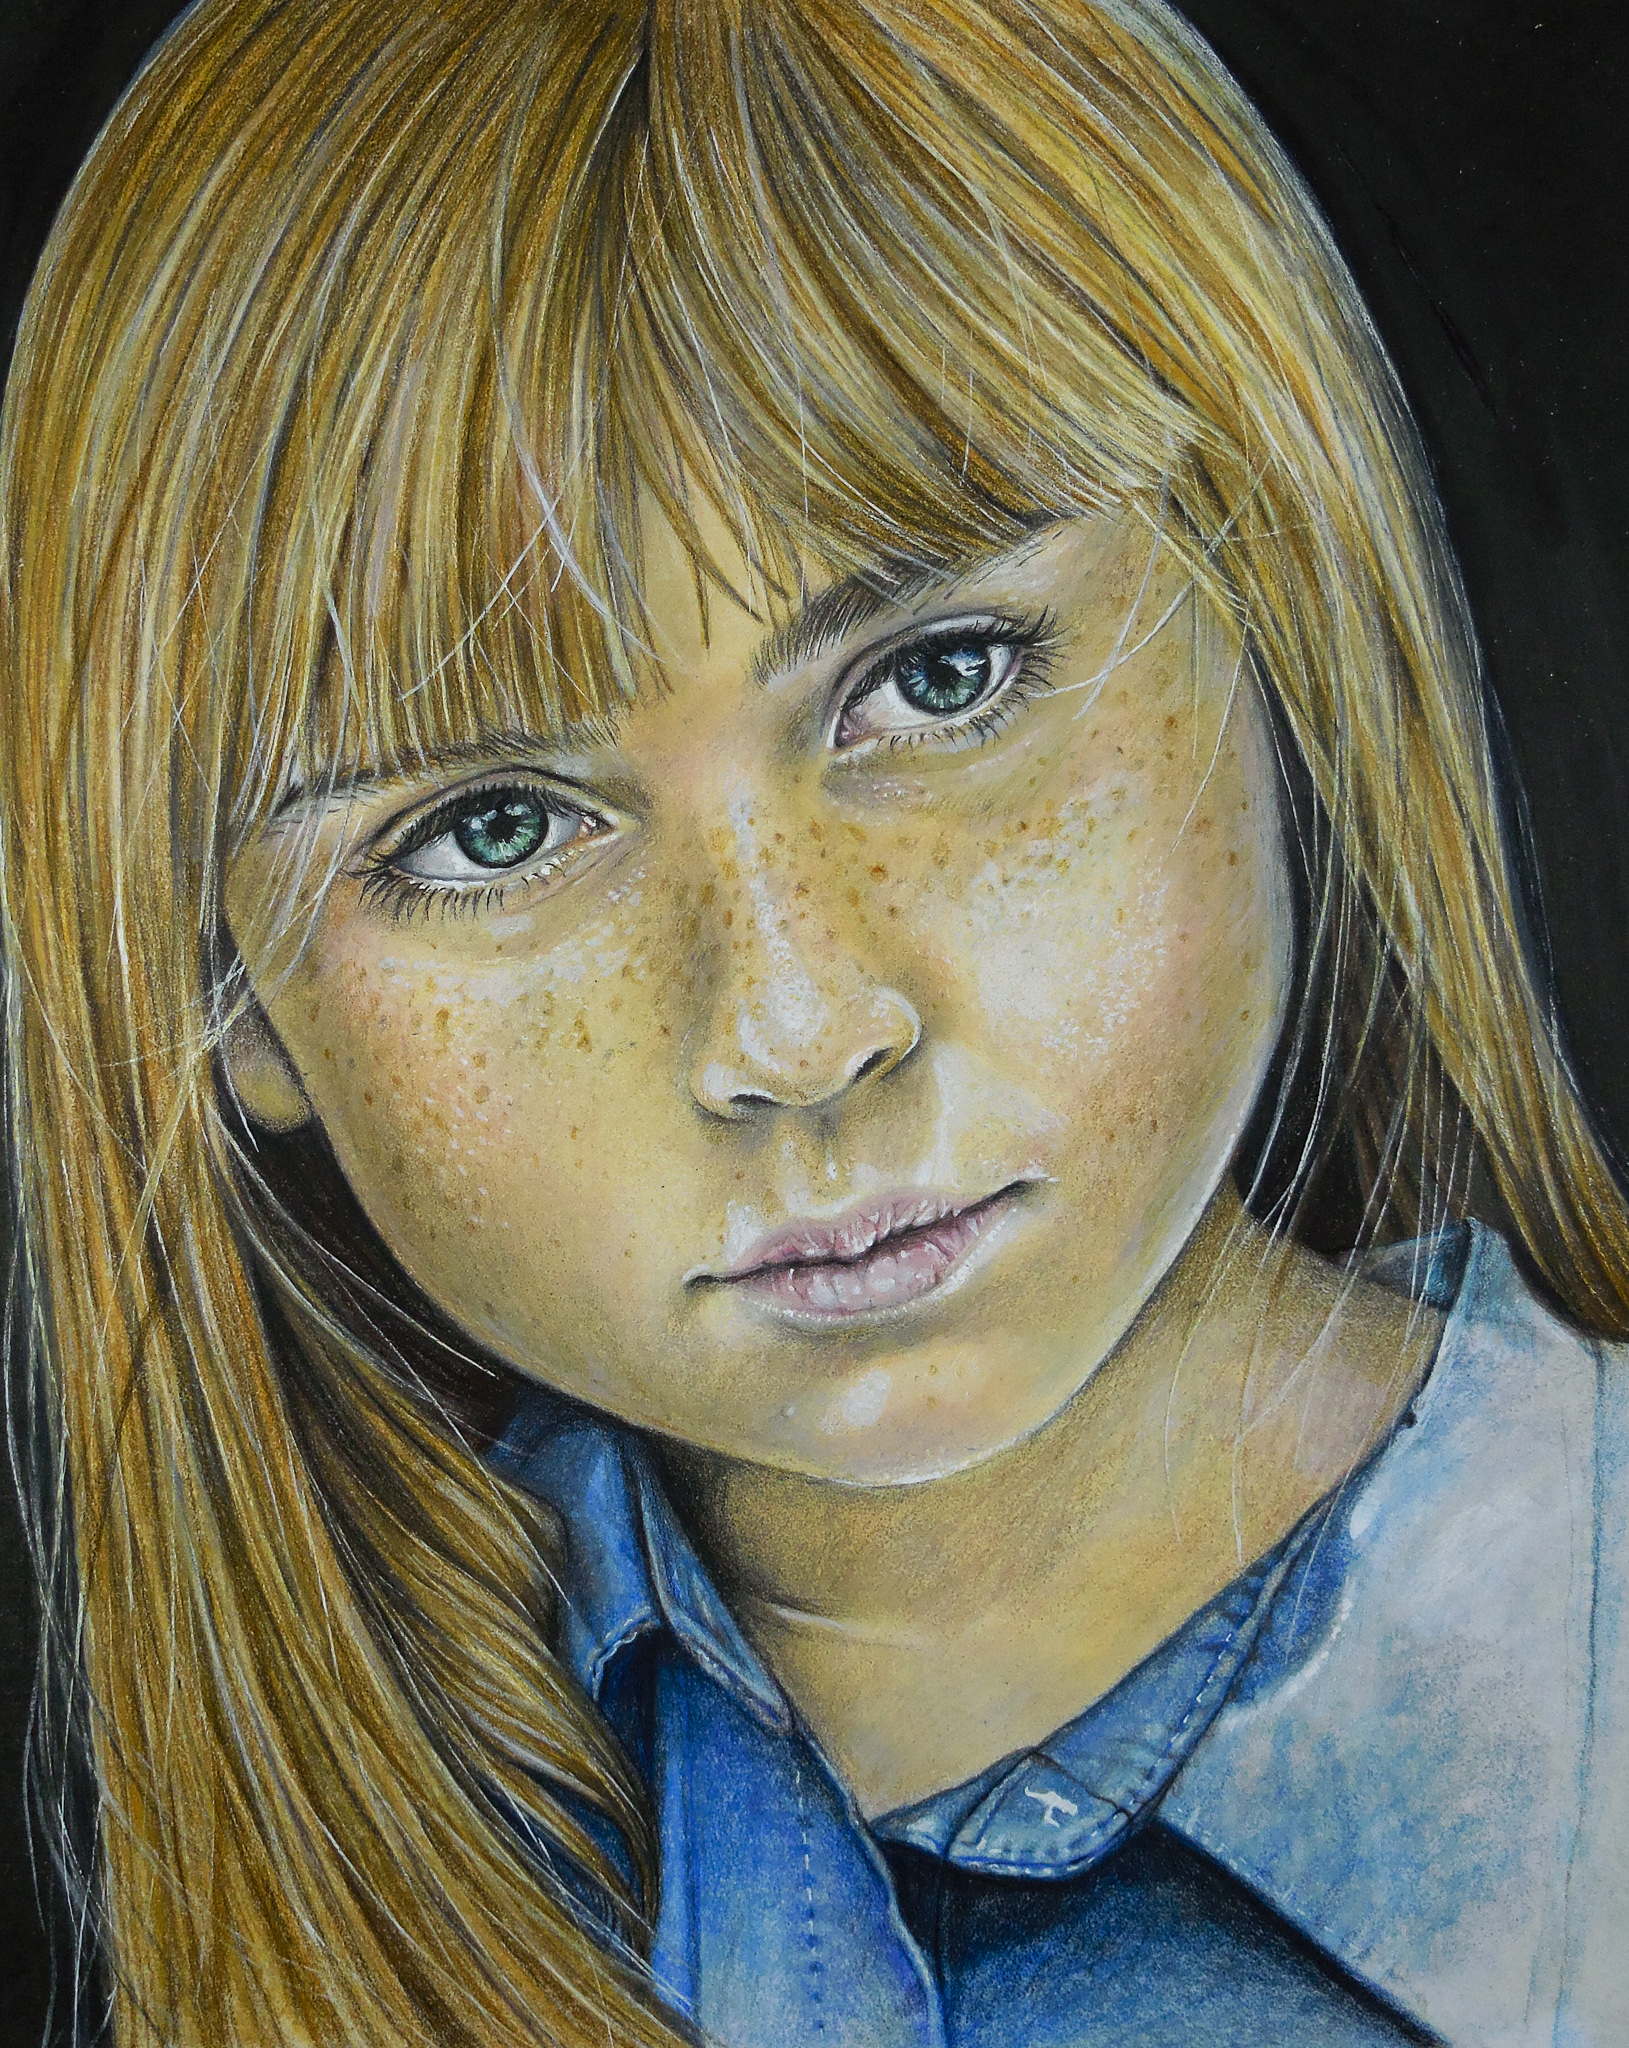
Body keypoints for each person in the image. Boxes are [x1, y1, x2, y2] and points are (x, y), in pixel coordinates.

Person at [1, 0, 1624, 2042]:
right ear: (225, 996)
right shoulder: (366, 1824)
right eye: (493, 829)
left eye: (940, 678)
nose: (793, 1026)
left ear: (1277, 607)